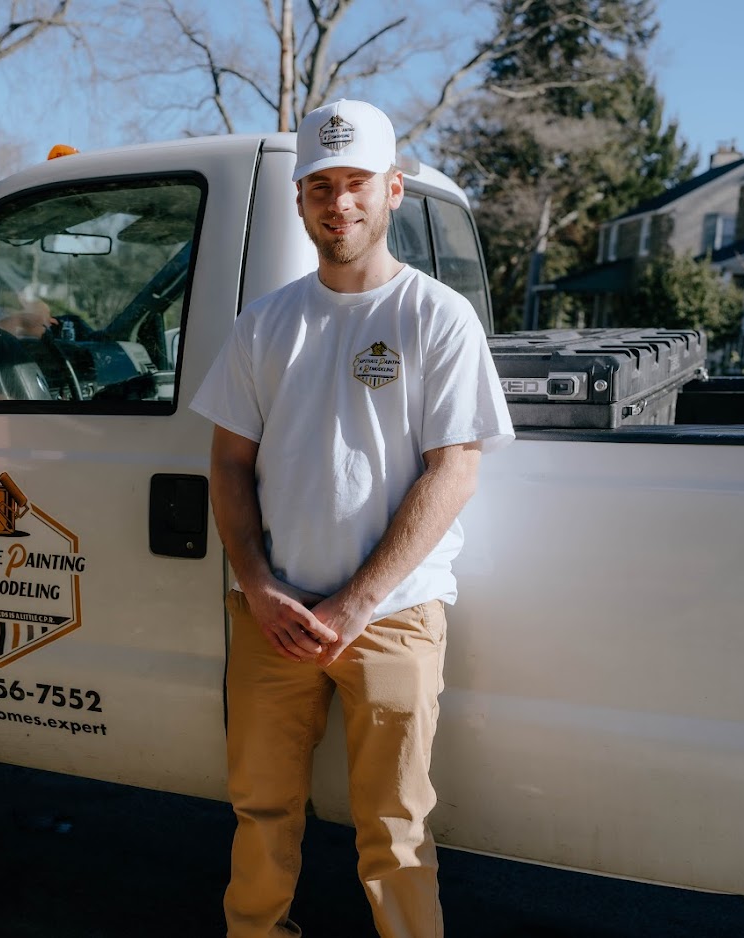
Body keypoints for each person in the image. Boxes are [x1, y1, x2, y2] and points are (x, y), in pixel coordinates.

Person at [190, 99, 514, 938]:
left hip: (394, 616)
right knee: (260, 813)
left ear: (394, 190)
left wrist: (357, 602)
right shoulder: (267, 323)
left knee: (396, 829)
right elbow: (227, 462)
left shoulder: (436, 316)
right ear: (299, 199)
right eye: (321, 186)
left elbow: (456, 469)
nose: (340, 204)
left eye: (357, 184)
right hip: (273, 614)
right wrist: (258, 586)